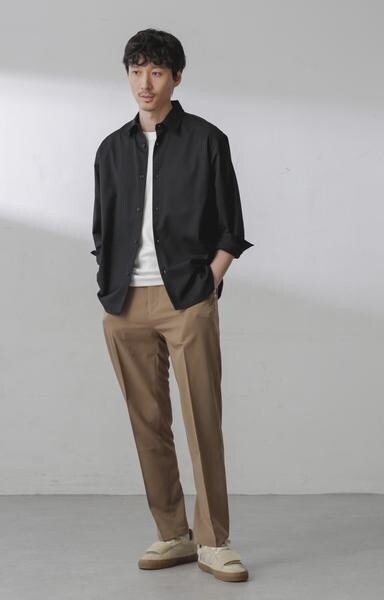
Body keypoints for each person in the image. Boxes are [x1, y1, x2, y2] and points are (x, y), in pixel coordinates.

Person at [90, 28, 253, 583]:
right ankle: (172, 533)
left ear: (176, 77)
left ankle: (213, 540)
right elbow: (102, 228)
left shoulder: (207, 140)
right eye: (136, 71)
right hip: (124, 303)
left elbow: (231, 227)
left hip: (186, 298)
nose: (145, 82)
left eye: (156, 72)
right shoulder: (111, 150)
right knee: (148, 423)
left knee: (202, 418)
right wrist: (108, 286)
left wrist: (209, 282)